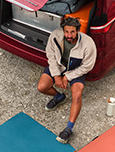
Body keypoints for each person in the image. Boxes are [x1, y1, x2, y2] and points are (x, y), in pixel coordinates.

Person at [38, 15, 97, 144]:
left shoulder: (88, 44)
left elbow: (87, 66)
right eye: (66, 31)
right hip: (59, 68)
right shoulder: (55, 35)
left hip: (75, 70)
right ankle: (59, 97)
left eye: (72, 32)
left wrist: (68, 77)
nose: (69, 35)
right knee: (42, 87)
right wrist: (56, 75)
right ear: (63, 30)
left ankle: (69, 129)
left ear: (78, 31)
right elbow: (51, 56)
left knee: (77, 95)